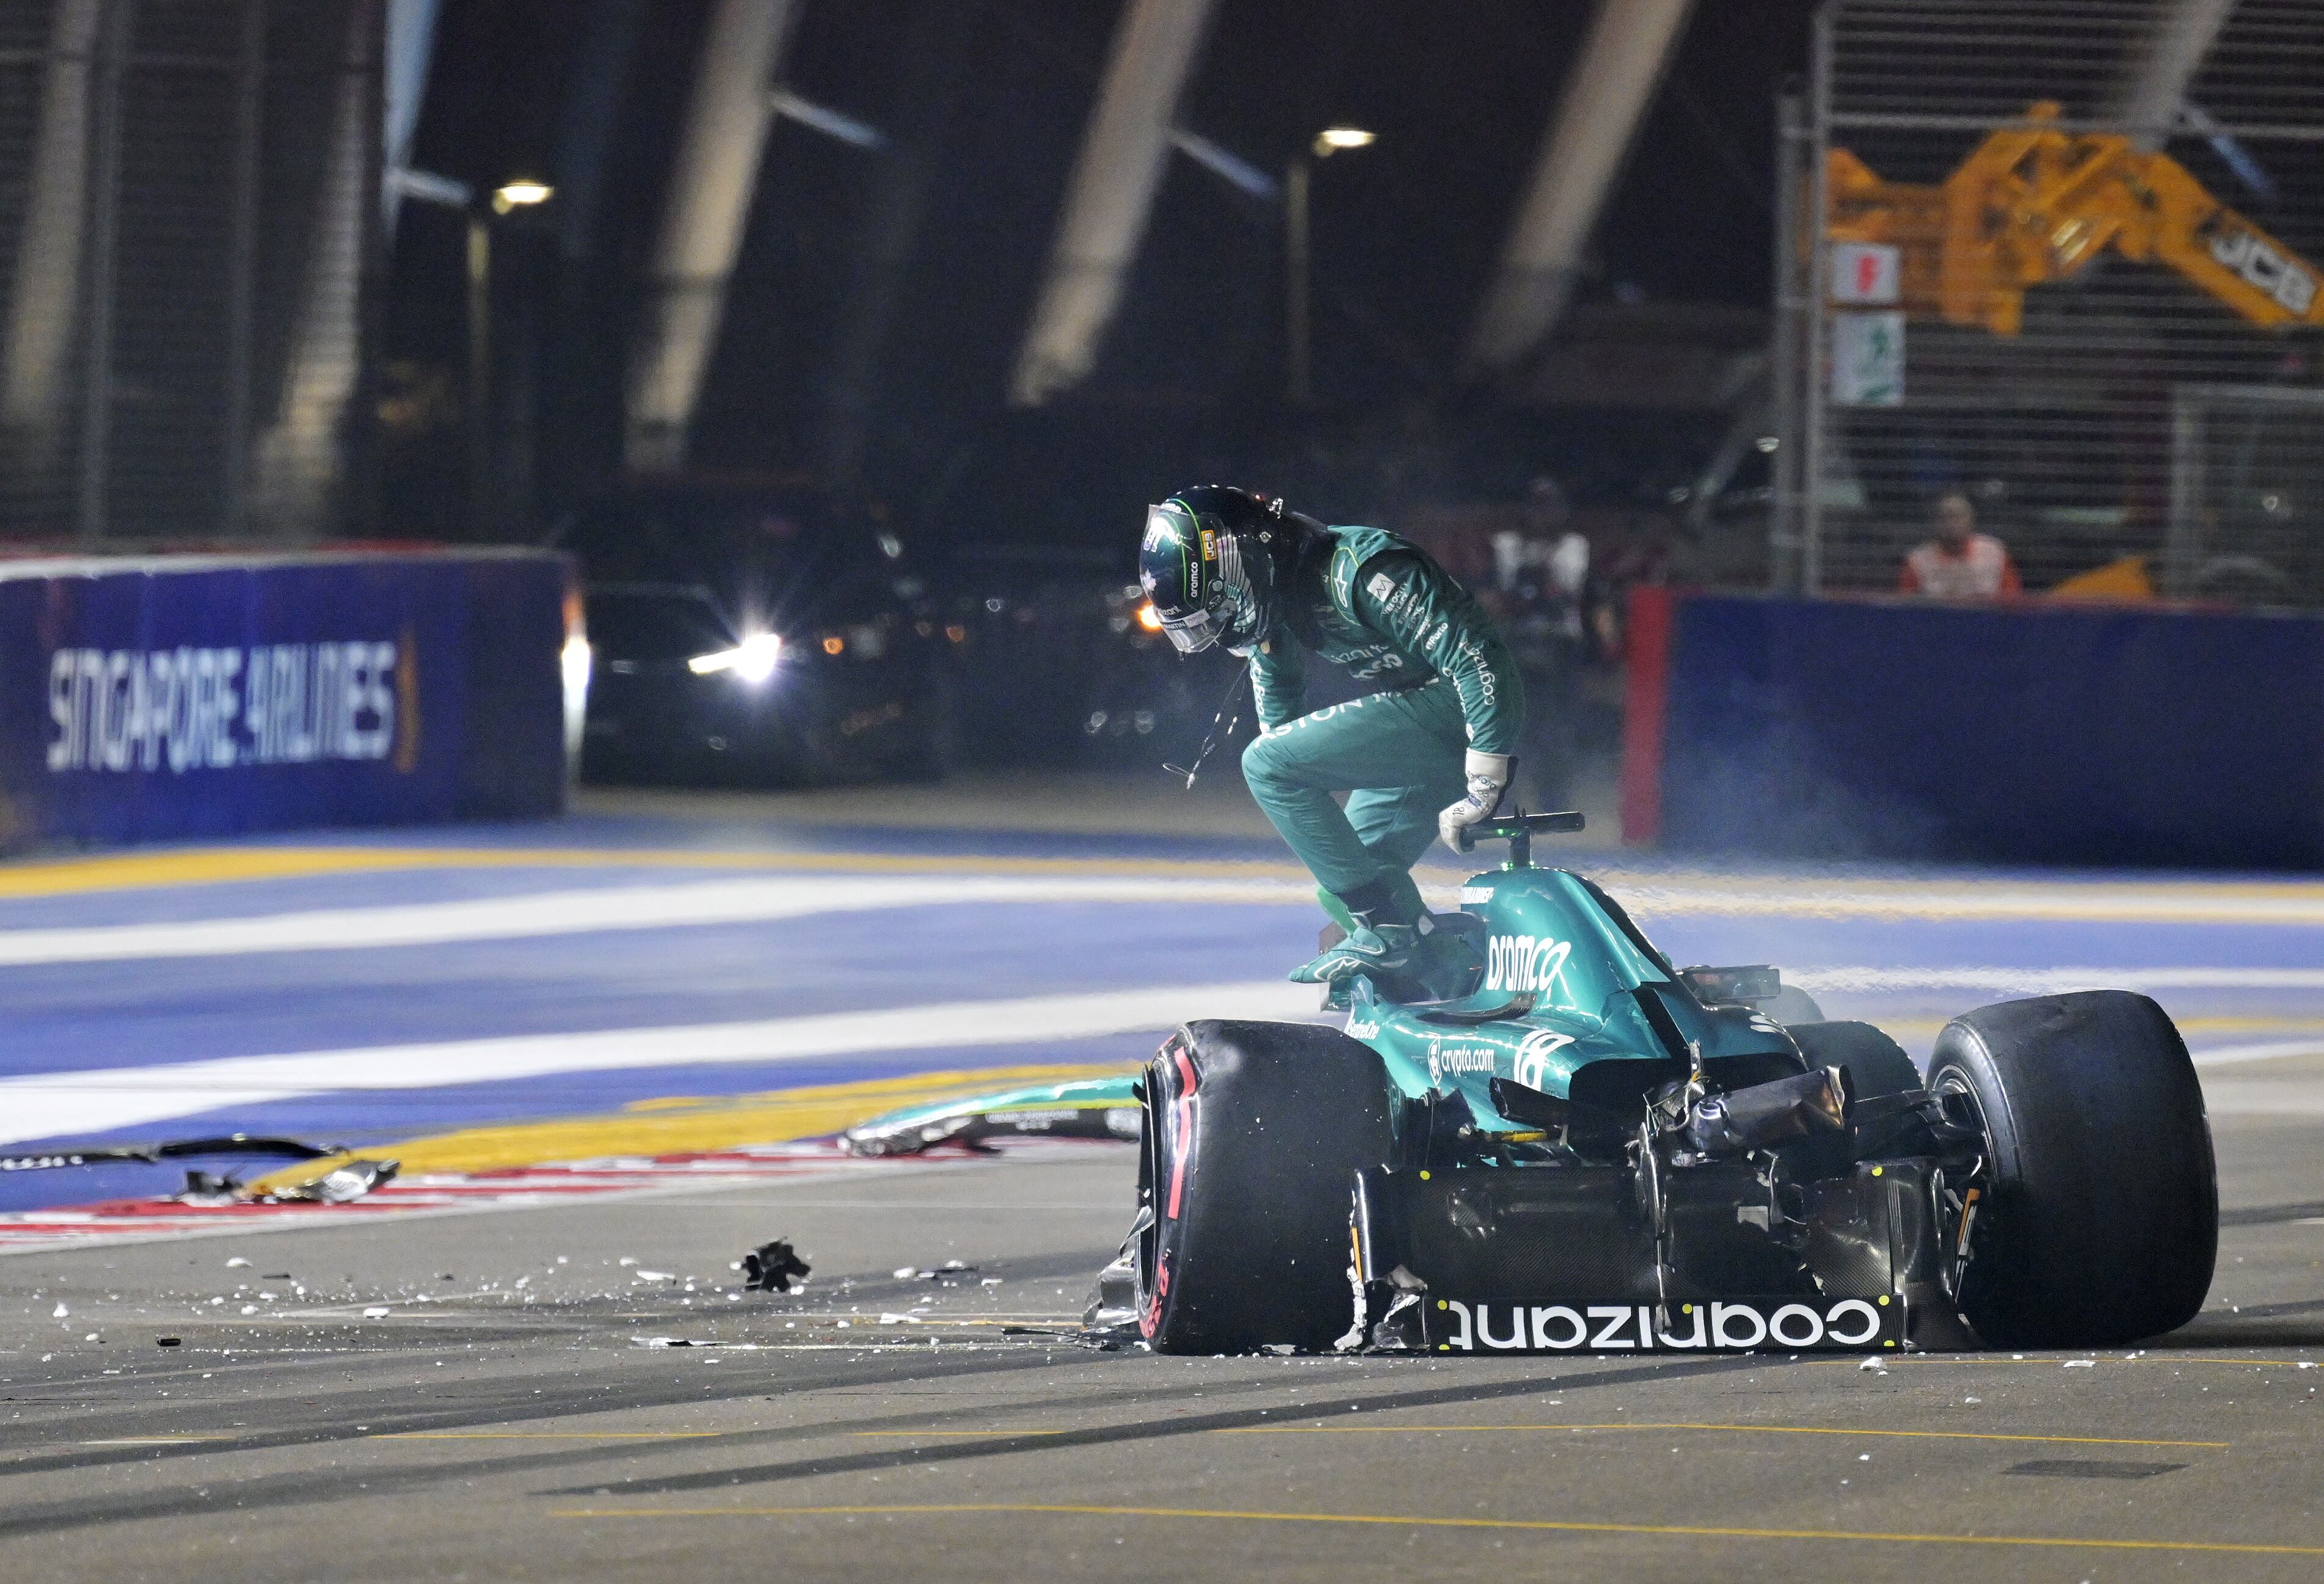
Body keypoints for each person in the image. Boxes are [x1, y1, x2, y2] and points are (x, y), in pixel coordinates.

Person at [1139, 486, 1524, 995]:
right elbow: (1279, 706)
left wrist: (1486, 775)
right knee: (1346, 878)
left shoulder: (1360, 569)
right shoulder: (1278, 588)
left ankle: (1391, 935)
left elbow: (1476, 655)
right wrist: (1299, 796)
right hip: (1432, 719)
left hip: (1461, 707)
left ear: (1246, 554)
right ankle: (1446, 974)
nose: (1225, 620)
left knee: (1266, 767)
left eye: (1222, 601)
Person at [1899, 491, 2020, 599]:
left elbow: (2012, 600)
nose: (1951, 523)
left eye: (1958, 516)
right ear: (1935, 522)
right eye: (1945, 517)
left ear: (1971, 519)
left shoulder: (1994, 553)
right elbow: (1906, 607)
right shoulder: (1918, 561)